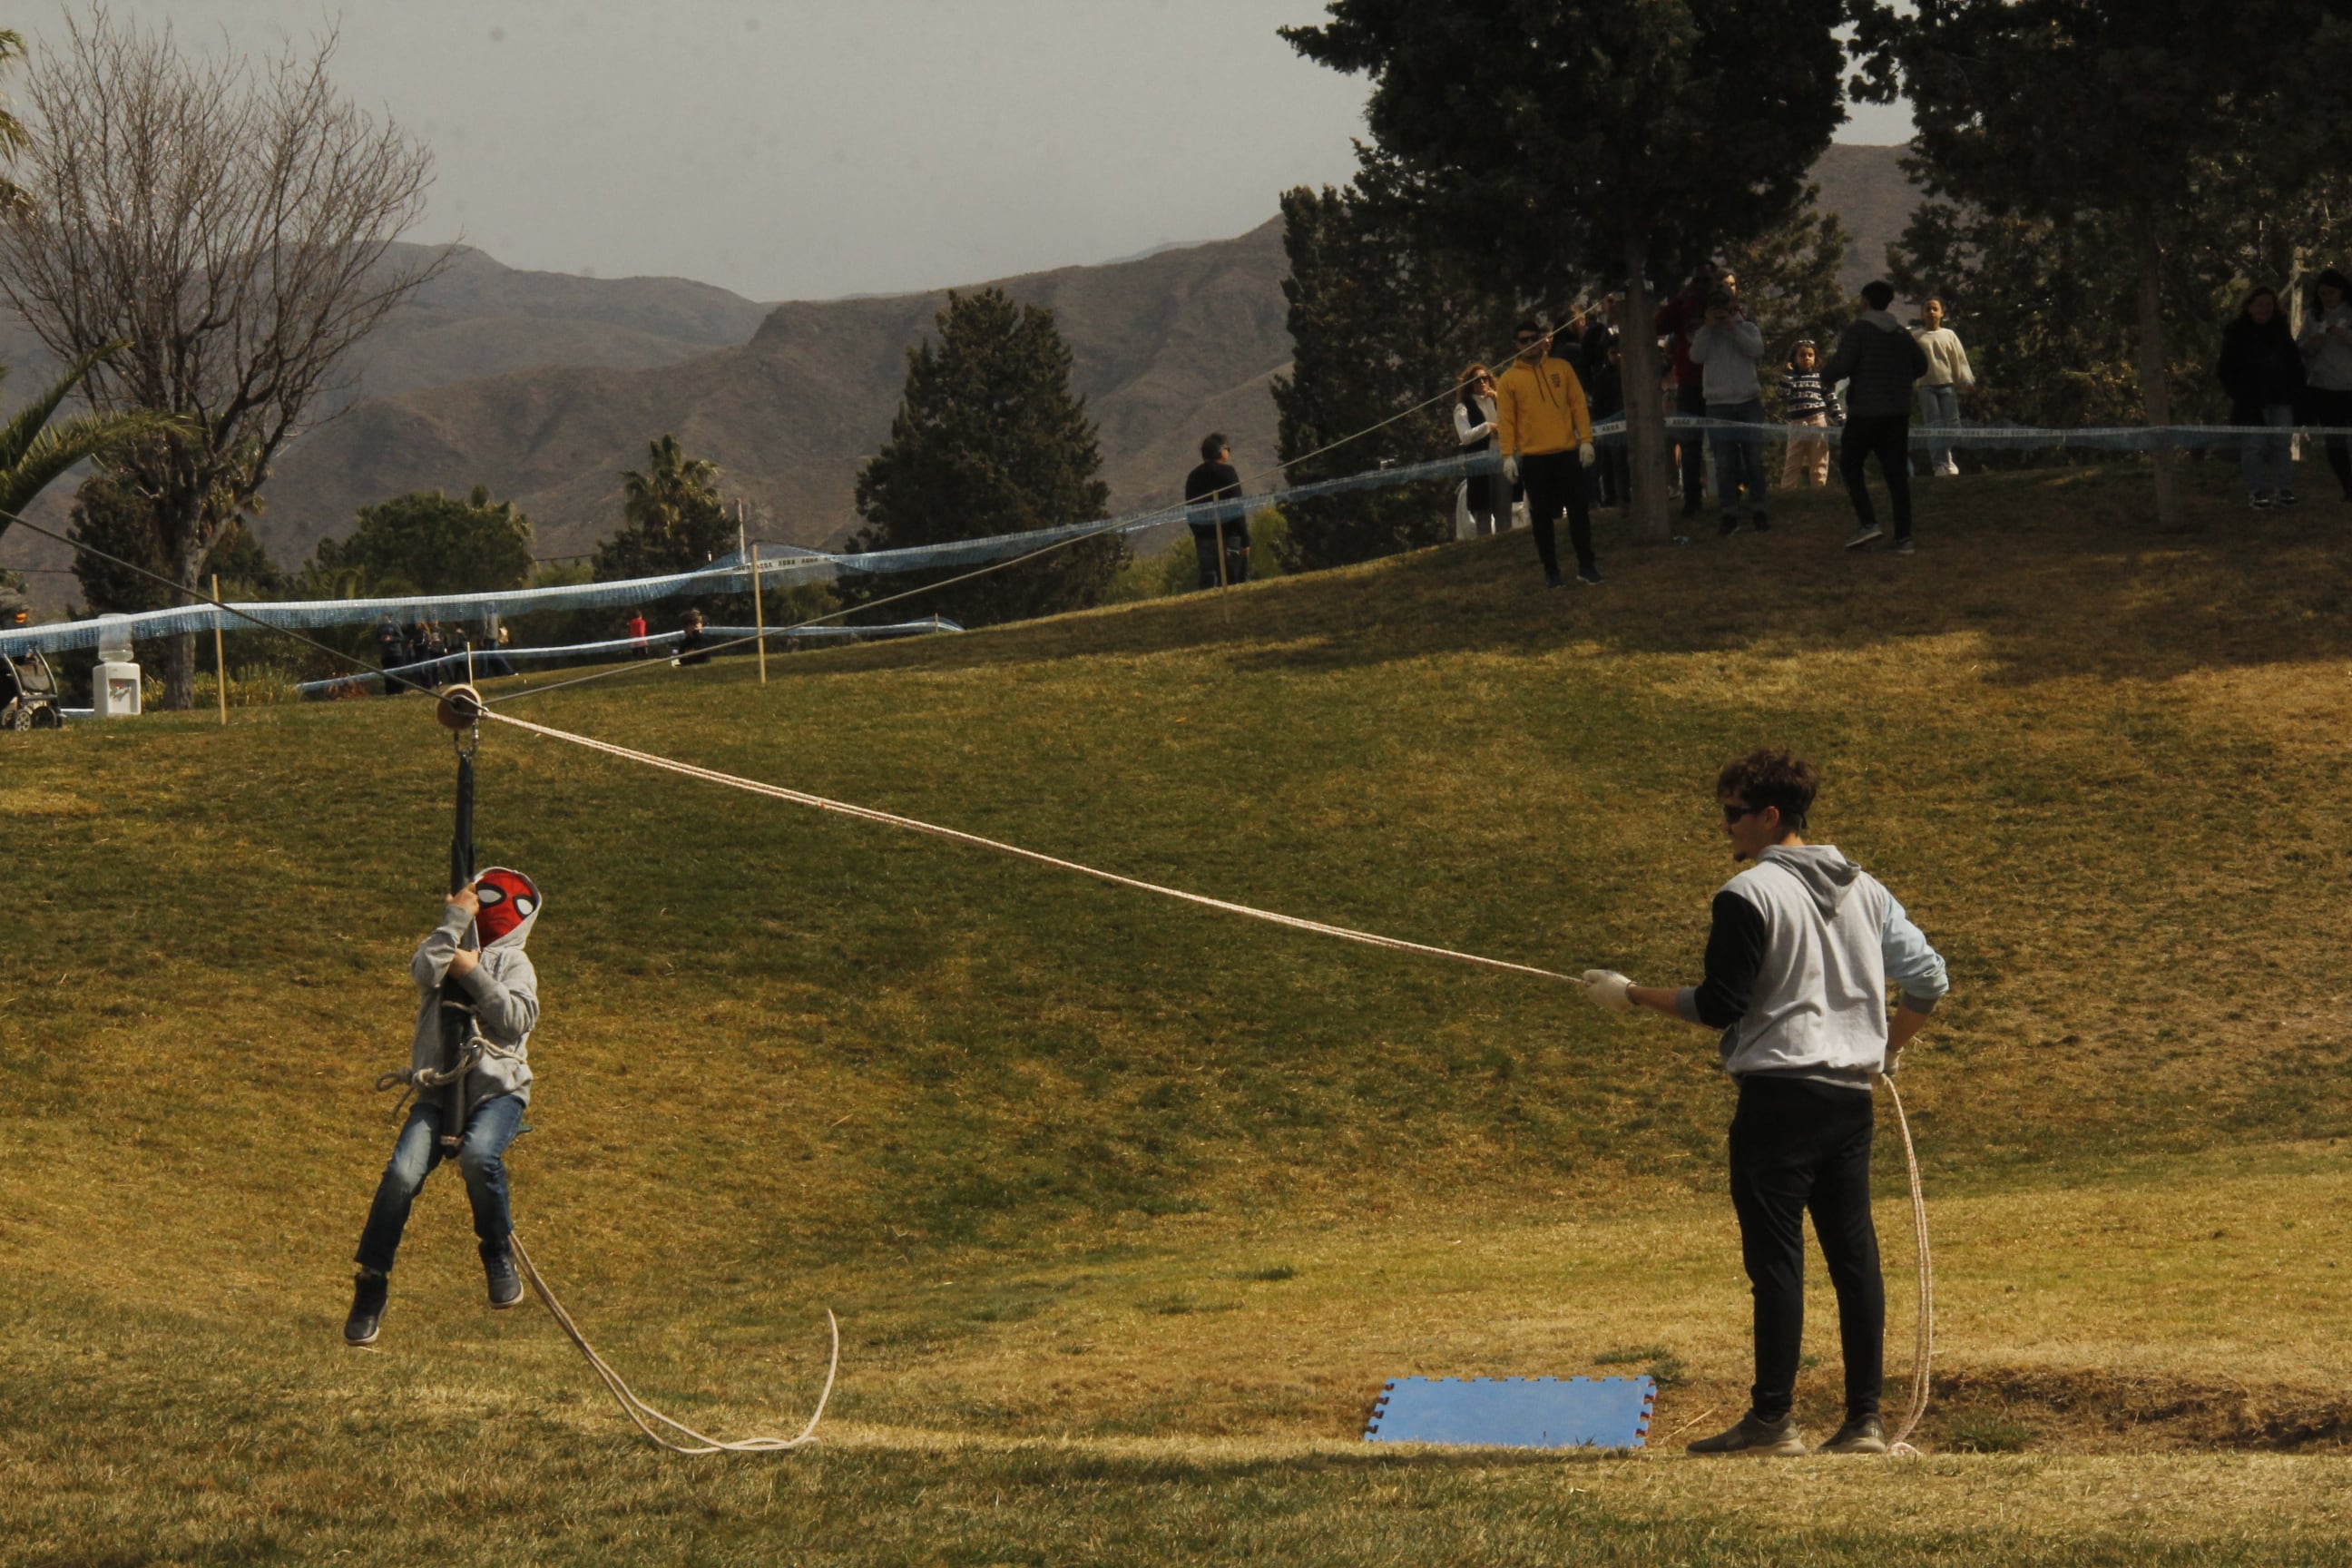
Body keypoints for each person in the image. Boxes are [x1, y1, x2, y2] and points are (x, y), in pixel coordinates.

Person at [1582, 749, 1947, 1456]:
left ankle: (1773, 1422)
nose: (1726, 829)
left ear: (1770, 815)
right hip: (1849, 1101)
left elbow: (1720, 1006)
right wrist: (1889, 1049)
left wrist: (1628, 996)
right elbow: (1930, 979)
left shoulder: (1747, 895)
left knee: (1777, 1262)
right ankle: (1863, 1423)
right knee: (1854, 1256)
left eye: (1733, 814)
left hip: (1778, 1098)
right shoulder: (1867, 890)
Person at [346, 869, 544, 1347]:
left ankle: (496, 1248)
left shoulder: (516, 963)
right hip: (437, 1095)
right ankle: (371, 1282)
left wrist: (471, 973)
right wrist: (454, 922)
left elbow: (516, 1019)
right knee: (400, 1175)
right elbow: (422, 969)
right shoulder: (444, 943)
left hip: (498, 1094)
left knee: (480, 1157)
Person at [1825, 281, 1931, 554]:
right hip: (1897, 412)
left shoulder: (1859, 331)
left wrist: (1824, 378)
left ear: (1865, 302)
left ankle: (1869, 522)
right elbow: (1920, 365)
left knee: (1850, 465)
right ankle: (1904, 537)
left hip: (1865, 411)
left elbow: (1842, 365)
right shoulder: (1900, 334)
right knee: (1896, 475)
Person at [1494, 320, 1600, 587]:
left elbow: (1578, 405)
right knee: (1541, 517)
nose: (1530, 345)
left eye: (1534, 339)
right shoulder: (1509, 380)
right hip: (1533, 458)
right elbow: (1506, 421)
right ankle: (1551, 570)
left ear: (1543, 340)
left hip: (1566, 451)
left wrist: (1585, 440)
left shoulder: (1562, 368)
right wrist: (1507, 456)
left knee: (1579, 511)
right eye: (1524, 341)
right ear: (1516, 345)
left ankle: (1586, 566)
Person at [1689, 285, 1770, 534]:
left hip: (1748, 401)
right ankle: (1729, 513)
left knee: (1754, 460)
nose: (1721, 312)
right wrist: (1709, 327)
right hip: (1718, 405)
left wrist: (1732, 327)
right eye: (1716, 308)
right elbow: (1695, 356)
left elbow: (1756, 351)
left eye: (1724, 306)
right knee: (1724, 463)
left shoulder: (1747, 328)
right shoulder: (1705, 334)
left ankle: (1759, 509)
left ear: (1733, 306)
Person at [2219, 286, 2306, 508]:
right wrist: (2241, 395)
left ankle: (2284, 490)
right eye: (2260, 304)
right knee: (2254, 447)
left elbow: (2295, 366)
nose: (2265, 309)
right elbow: (2226, 370)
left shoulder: (2281, 332)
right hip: (2252, 401)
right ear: (2249, 307)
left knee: (2281, 445)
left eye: (2269, 304)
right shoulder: (2236, 333)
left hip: (2282, 398)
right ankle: (2257, 492)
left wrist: (2297, 396)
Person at [1656, 269, 1720, 515]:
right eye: (1698, 281)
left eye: (1707, 281)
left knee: (1722, 443)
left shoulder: (1721, 303)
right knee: (1690, 445)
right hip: (1689, 383)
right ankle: (1692, 500)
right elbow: (1658, 325)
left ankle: (1729, 494)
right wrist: (1679, 301)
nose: (1702, 286)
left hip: (1718, 382)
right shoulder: (1683, 305)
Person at [2298, 269, 2352, 503]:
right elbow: (2301, 348)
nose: (2327, 298)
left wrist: (2346, 335)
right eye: (2322, 294)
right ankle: (2348, 486)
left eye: (2331, 293)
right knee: (2335, 440)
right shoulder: (2313, 315)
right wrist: (2313, 342)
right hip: (2324, 387)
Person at [1911, 299, 1975, 478]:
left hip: (1947, 385)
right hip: (1926, 386)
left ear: (1942, 313)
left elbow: (1959, 359)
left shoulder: (1949, 335)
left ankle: (1946, 456)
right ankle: (1940, 465)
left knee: (1953, 424)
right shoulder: (1916, 337)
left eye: (1935, 309)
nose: (1931, 312)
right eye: (1928, 309)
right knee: (1933, 425)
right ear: (1922, 313)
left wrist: (1966, 380)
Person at [1181, 433, 1250, 589]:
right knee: (1234, 581)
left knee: (1209, 581)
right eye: (1228, 449)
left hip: (1204, 539)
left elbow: (1190, 511)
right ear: (1221, 451)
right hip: (1229, 537)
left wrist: (1199, 533)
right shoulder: (1228, 472)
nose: (1229, 453)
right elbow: (1236, 507)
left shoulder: (1193, 476)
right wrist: (1245, 538)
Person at [1779, 341, 1838, 488]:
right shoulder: (1791, 379)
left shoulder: (1821, 378)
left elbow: (1831, 399)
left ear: (1816, 358)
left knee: (1819, 459)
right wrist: (1789, 374)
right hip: (1797, 423)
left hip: (1817, 421)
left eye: (1810, 355)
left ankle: (1819, 489)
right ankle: (1787, 491)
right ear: (1794, 359)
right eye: (1802, 355)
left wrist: (1840, 418)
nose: (1806, 358)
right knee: (1793, 460)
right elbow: (1782, 393)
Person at [1455, 364, 1504, 538]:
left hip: (1502, 460)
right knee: (1483, 512)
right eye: (1477, 380)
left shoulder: (1498, 400)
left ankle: (1507, 545)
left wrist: (1500, 399)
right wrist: (1488, 427)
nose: (1482, 383)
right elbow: (1465, 436)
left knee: (1504, 509)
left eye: (1486, 378)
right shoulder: (1463, 408)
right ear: (1470, 384)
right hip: (1480, 466)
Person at [375, 613, 407, 696]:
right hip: (385, 654)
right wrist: (381, 639)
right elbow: (376, 639)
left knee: (398, 672)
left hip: (395, 653)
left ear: (388, 616)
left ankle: (399, 690)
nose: (383, 617)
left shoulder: (394, 625)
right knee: (387, 673)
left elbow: (401, 637)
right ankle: (390, 691)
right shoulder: (380, 627)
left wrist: (391, 638)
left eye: (385, 615)